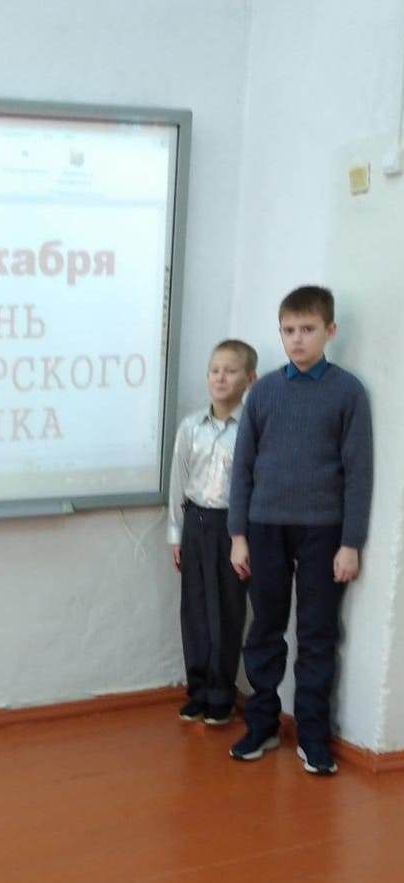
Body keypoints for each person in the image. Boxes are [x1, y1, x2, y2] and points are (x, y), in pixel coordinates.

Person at [228, 285, 373, 775]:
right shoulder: (264, 392)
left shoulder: (348, 392)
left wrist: (350, 543)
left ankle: (312, 735)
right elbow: (243, 467)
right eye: (288, 330)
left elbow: (358, 472)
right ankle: (263, 724)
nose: (297, 339)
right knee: (265, 628)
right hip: (264, 527)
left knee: (317, 632)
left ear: (329, 331)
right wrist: (238, 535)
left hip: (323, 533)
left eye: (307, 329)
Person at [167, 339, 257, 726]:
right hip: (196, 523)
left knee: (226, 611)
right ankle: (199, 690)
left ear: (249, 378)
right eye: (214, 370)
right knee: (195, 610)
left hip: (232, 529)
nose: (220, 378)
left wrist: (245, 538)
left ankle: (222, 692)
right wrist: (175, 534)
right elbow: (178, 481)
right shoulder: (191, 427)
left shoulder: (252, 429)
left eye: (230, 370)